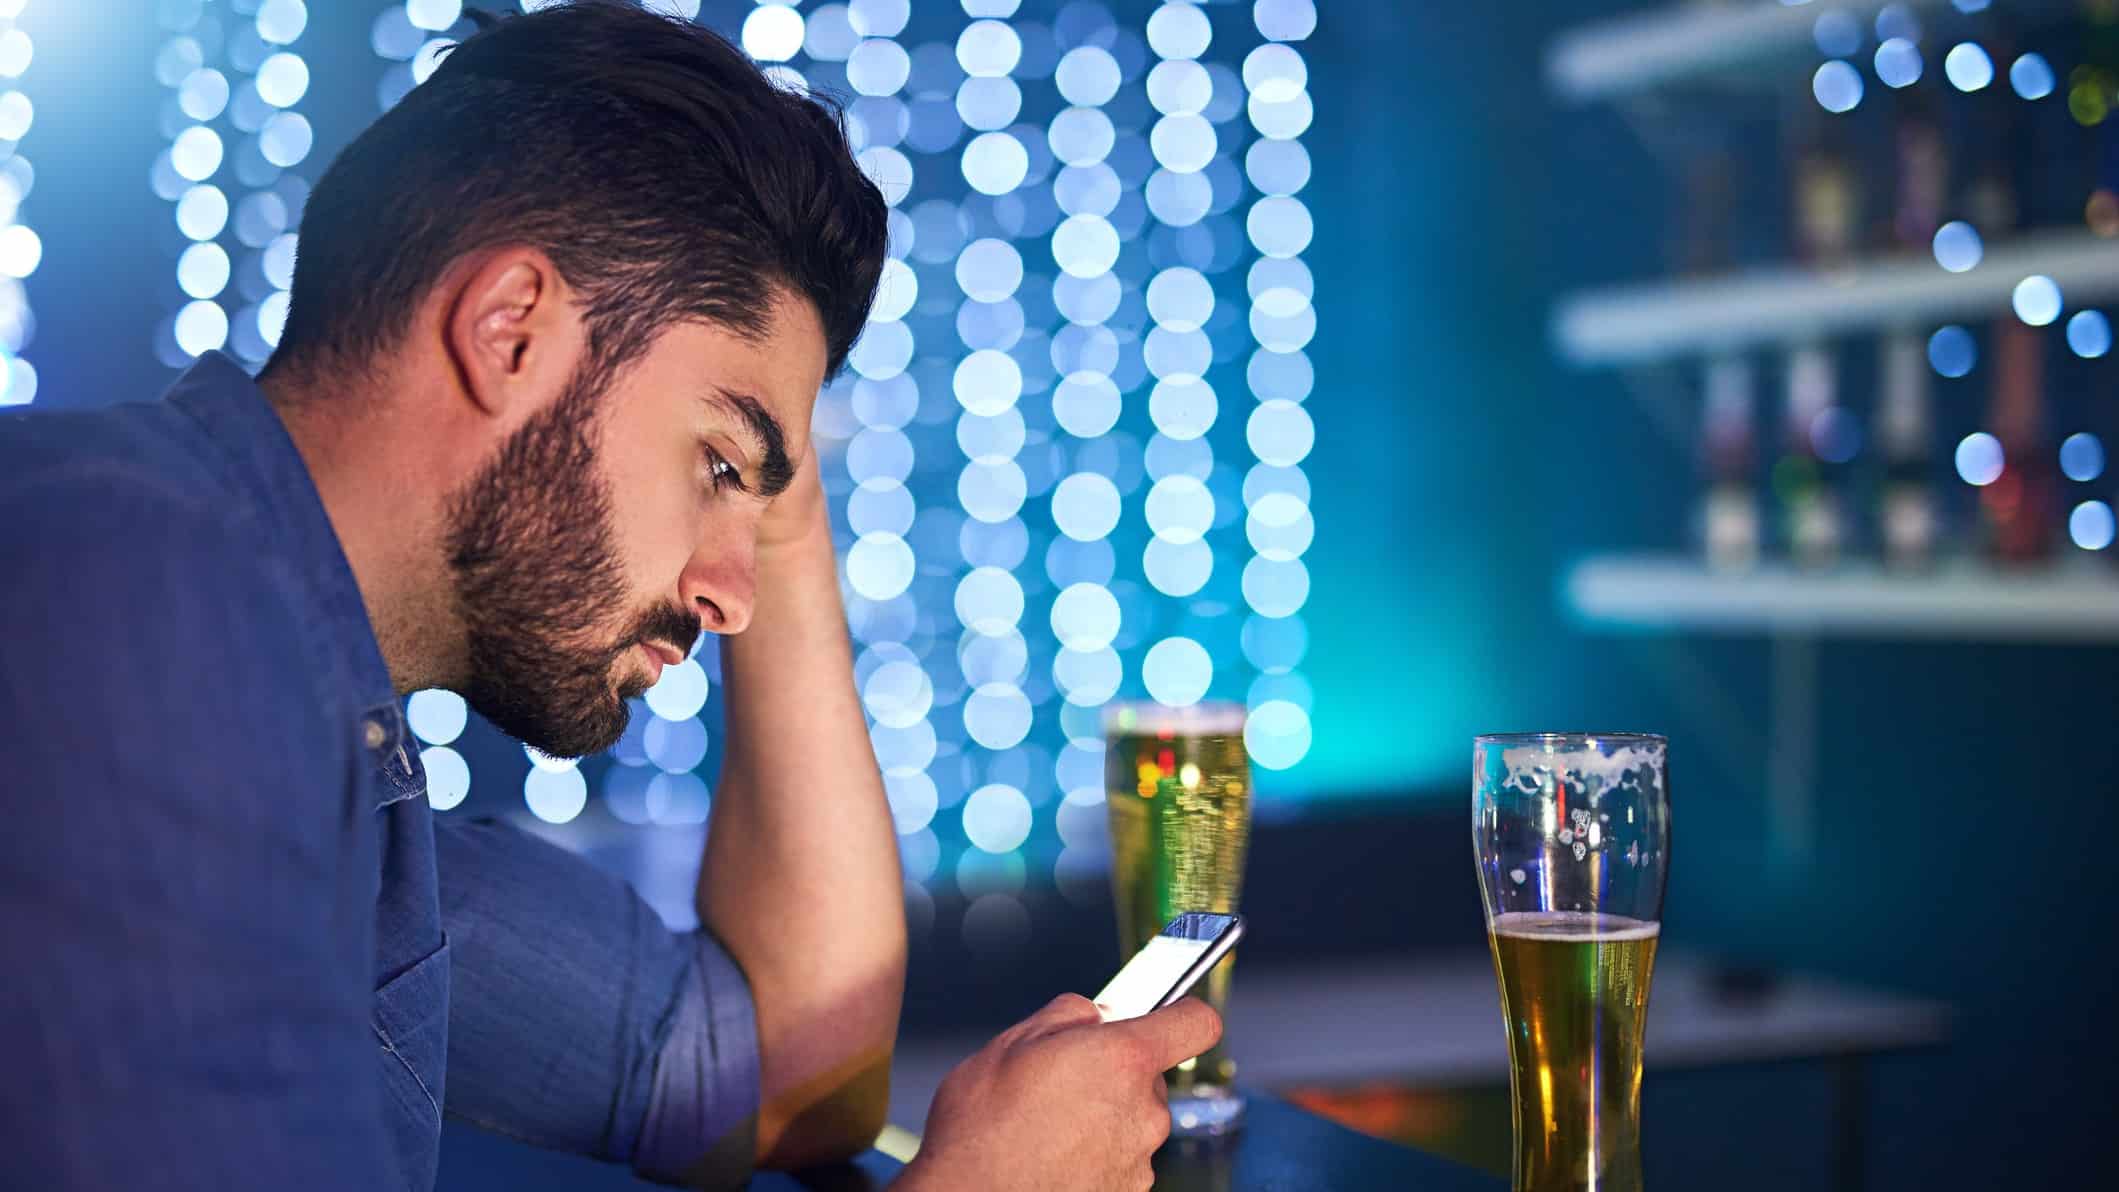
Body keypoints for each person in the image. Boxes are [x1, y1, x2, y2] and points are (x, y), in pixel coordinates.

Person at [0, 3, 1218, 1189]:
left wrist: (772, 469)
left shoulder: (322, 758)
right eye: (717, 466)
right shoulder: (123, 615)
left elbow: (792, 1067)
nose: (733, 597)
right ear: (509, 332)